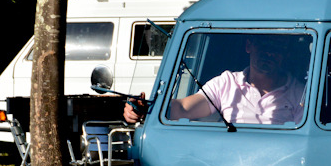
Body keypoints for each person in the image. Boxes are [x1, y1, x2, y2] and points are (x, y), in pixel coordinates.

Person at [123, 35, 305, 125]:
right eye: (263, 45)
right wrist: (147, 109)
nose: (269, 53)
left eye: (276, 48)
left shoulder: (301, 93)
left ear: (285, 54)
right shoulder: (226, 83)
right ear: (249, 46)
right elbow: (184, 108)